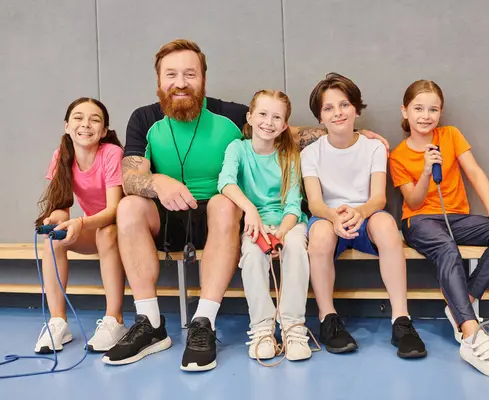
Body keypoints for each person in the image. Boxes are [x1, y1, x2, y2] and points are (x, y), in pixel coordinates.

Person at [103, 38, 389, 371]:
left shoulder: (231, 114)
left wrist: (353, 131)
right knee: (128, 206)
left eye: (190, 74)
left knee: (224, 205)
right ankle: (150, 323)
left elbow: (286, 133)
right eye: (171, 74)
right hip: (164, 219)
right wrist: (157, 181)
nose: (180, 82)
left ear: (203, 79)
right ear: (158, 81)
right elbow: (130, 178)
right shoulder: (144, 119)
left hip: (221, 219)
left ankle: (203, 323)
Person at [389, 79, 489, 379]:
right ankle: (471, 334)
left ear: (441, 112)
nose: (426, 115)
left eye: (433, 109)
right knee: (447, 248)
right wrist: (425, 171)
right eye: (418, 108)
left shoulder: (450, 135)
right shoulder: (398, 155)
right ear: (405, 111)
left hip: (456, 217)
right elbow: (412, 199)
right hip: (419, 221)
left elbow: (474, 171)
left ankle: (464, 302)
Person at [301, 73, 427, 359]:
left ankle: (401, 320)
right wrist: (334, 217)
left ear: (356, 109)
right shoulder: (310, 153)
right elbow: (315, 203)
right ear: (320, 117)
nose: (338, 113)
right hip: (328, 218)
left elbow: (379, 198)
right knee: (318, 235)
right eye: (328, 108)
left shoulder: (373, 147)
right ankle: (328, 318)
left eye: (344, 105)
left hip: (366, 216)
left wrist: (360, 212)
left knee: (386, 225)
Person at [218, 89, 311, 361]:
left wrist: (281, 232)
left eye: (276, 117)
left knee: (295, 247)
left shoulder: (288, 156)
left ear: (284, 126)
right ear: (250, 117)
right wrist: (250, 211)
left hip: (287, 223)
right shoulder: (238, 148)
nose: (268, 122)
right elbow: (225, 182)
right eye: (262, 114)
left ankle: (293, 326)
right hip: (254, 222)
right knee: (252, 253)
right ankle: (262, 328)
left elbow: (294, 204)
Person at [34, 97, 127, 354]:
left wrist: (80, 221)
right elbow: (62, 206)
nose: (85, 124)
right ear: (66, 126)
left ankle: (114, 320)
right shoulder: (61, 155)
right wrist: (55, 218)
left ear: (104, 131)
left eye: (94, 119)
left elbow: (113, 212)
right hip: (92, 229)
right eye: (78, 117)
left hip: (122, 231)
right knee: (54, 237)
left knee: (107, 232)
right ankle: (58, 322)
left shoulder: (111, 154)